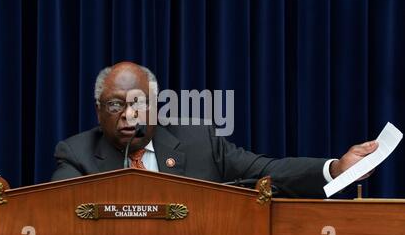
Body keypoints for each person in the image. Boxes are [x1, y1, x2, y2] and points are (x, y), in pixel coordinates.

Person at [51, 61, 378, 198]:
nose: (128, 115)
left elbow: (268, 172)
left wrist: (335, 168)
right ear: (98, 111)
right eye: (114, 105)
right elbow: (55, 210)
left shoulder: (200, 142)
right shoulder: (77, 154)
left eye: (139, 102)